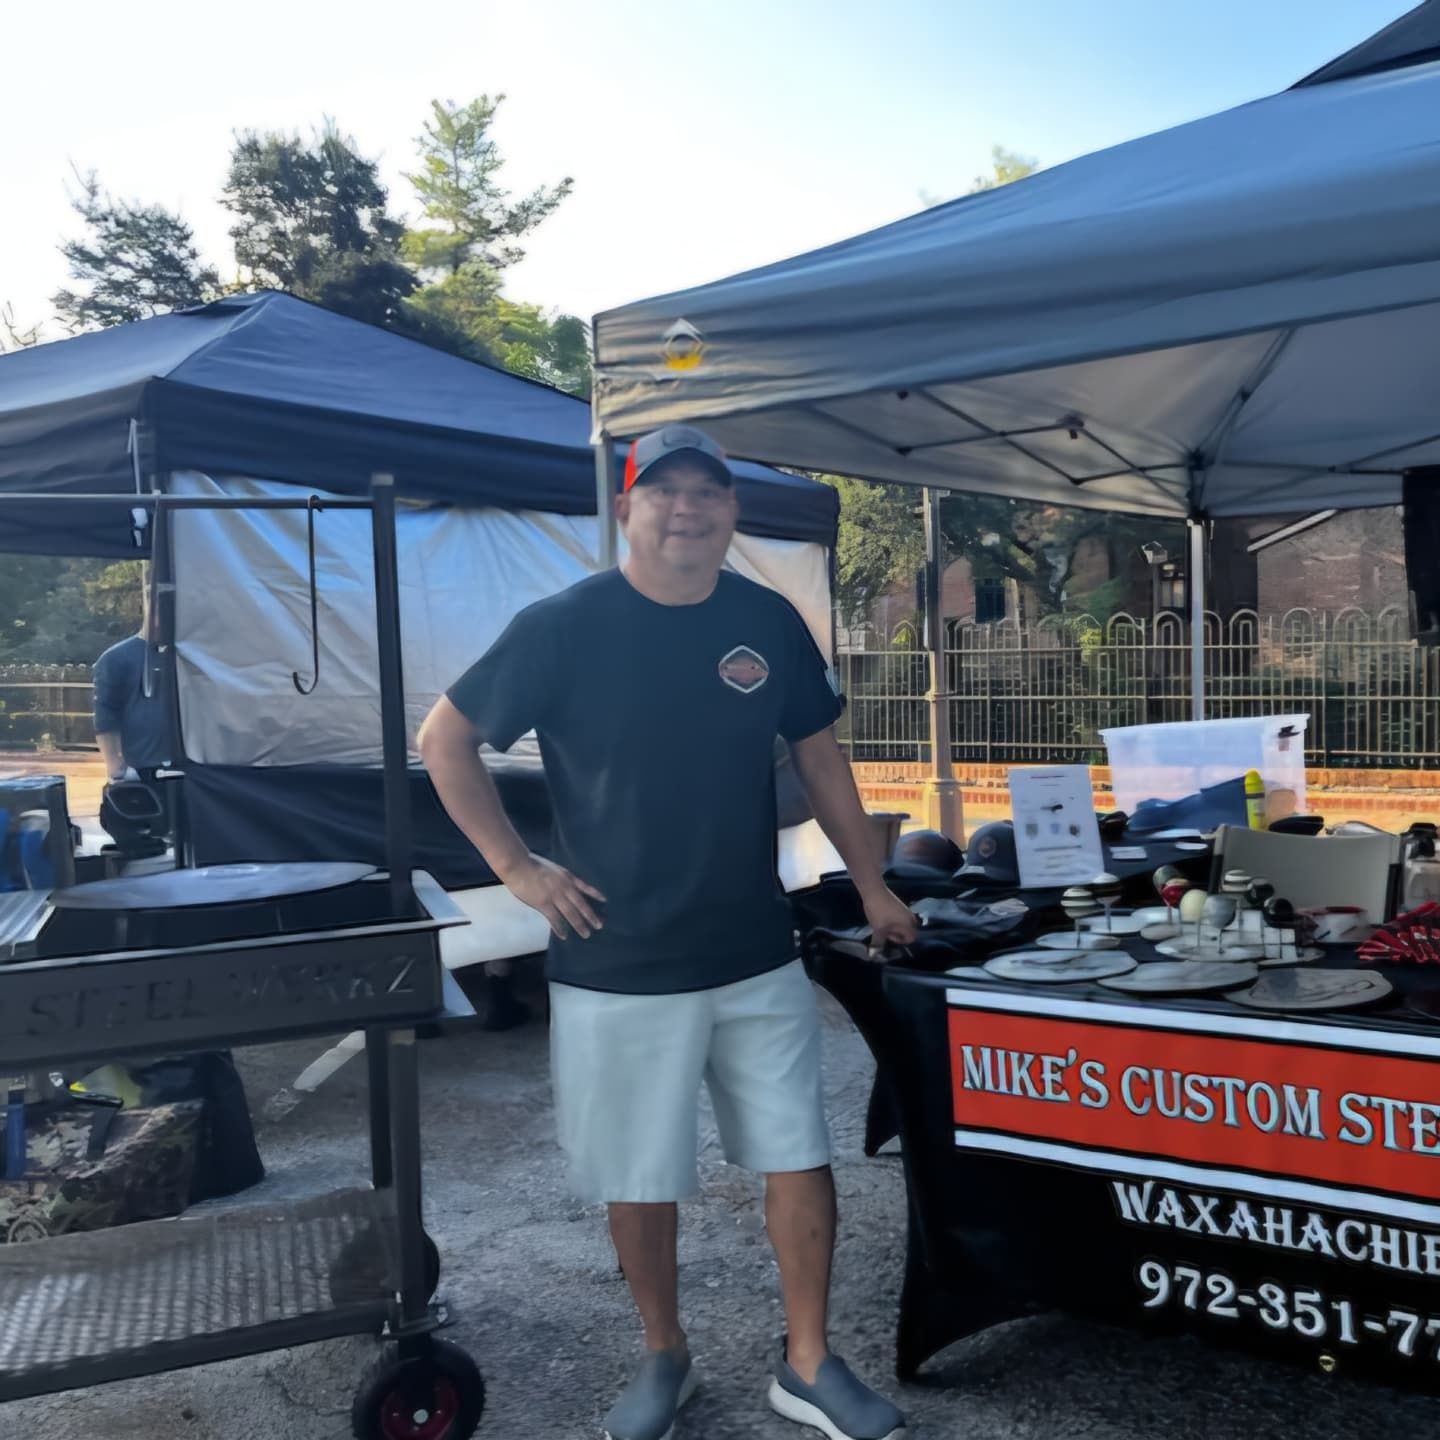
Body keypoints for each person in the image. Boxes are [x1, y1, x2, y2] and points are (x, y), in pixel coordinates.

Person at [420, 424, 916, 1440]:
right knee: (637, 1171)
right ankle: (664, 1356)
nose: (687, 510)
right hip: (618, 957)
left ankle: (810, 1361)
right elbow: (446, 739)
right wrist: (518, 869)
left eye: (708, 494)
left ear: (731, 512)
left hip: (750, 945)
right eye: (666, 493)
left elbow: (820, 761)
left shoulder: (766, 621)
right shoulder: (565, 624)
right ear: (626, 511)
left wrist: (873, 884)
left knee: (796, 1152)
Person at [93, 584, 172, 851]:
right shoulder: (116, 659)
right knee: (141, 847)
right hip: (140, 771)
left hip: (183, 769)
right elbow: (105, 715)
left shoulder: (187, 656)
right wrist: (116, 768)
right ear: (149, 604)